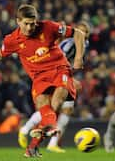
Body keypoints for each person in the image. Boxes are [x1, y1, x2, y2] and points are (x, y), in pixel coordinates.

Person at [0, 4, 87, 157]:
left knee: (58, 99)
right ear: (18, 21)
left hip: (59, 68)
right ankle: (33, 146)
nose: (29, 27)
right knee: (42, 105)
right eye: (26, 23)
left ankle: (49, 127)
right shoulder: (12, 40)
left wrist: (78, 58)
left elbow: (78, 33)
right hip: (39, 76)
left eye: (32, 23)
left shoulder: (48, 27)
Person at [18, 22, 90, 153]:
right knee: (51, 108)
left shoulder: (84, 46)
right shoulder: (68, 45)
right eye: (80, 31)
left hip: (64, 77)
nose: (81, 34)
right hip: (53, 76)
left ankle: (53, 143)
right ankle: (25, 129)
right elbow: (56, 62)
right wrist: (70, 79)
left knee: (67, 109)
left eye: (84, 32)